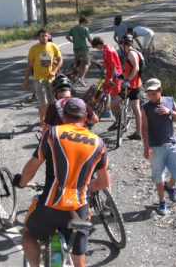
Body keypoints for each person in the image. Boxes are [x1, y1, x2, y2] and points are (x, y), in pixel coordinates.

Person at [13, 98, 110, 267]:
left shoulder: (52, 134)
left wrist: (21, 182)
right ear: (85, 117)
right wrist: (86, 189)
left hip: (50, 206)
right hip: (79, 208)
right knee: (79, 257)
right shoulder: (99, 144)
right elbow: (104, 182)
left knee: (28, 235)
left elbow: (32, 166)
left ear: (64, 116)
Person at [141, 78, 176, 216]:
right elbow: (144, 128)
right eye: (149, 93)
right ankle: (162, 202)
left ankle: (170, 186)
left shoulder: (169, 101)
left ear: (160, 91)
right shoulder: (145, 107)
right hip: (155, 147)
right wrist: (146, 147)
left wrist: (169, 112)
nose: (151, 96)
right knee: (158, 177)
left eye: (154, 93)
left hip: (172, 144)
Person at [23, 29, 63, 124]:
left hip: (51, 79)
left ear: (48, 36)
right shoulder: (34, 49)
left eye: (45, 35)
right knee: (43, 103)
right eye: (42, 36)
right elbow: (29, 65)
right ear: (38, 37)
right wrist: (26, 80)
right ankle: (43, 123)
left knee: (52, 103)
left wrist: (54, 71)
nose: (44, 38)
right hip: (38, 79)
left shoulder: (53, 46)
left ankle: (51, 121)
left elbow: (60, 59)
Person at [90, 36, 123, 128]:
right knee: (103, 91)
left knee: (114, 98)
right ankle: (109, 113)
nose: (97, 49)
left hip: (115, 76)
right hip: (110, 75)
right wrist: (100, 64)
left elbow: (113, 66)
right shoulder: (107, 48)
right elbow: (108, 63)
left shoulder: (108, 50)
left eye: (97, 47)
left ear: (99, 44)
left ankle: (120, 121)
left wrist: (111, 79)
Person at [117, 34, 143, 140]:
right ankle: (137, 132)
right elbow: (129, 68)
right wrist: (120, 76)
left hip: (131, 85)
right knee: (135, 107)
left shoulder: (131, 54)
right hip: (136, 84)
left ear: (124, 44)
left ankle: (120, 123)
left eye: (122, 44)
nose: (121, 47)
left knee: (116, 102)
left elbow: (136, 68)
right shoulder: (135, 52)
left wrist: (127, 80)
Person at [66, 16, 92, 86]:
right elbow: (89, 39)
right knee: (87, 63)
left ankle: (74, 76)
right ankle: (81, 78)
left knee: (77, 63)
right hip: (83, 48)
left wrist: (73, 41)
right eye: (86, 23)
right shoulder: (85, 29)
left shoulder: (73, 28)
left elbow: (67, 37)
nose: (87, 24)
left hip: (76, 48)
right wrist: (93, 44)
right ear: (84, 22)